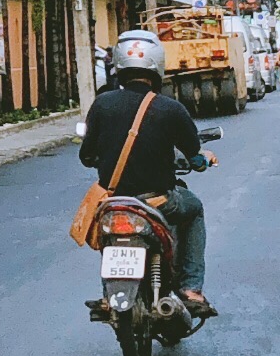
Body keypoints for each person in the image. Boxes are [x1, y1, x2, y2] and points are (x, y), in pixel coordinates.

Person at [80, 32, 216, 316]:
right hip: (158, 201)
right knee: (194, 209)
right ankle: (191, 288)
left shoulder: (102, 104)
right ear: (157, 66)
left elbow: (86, 156)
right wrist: (204, 161)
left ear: (119, 64)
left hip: (115, 202)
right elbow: (195, 159)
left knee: (110, 233)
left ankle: (109, 295)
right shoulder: (170, 108)